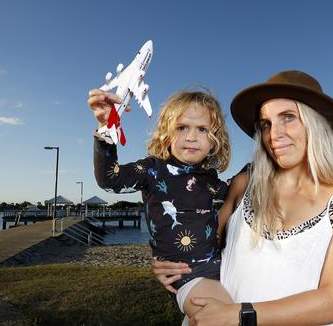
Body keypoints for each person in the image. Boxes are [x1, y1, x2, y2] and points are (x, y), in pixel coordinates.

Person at [153, 70, 333, 326]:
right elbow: (202, 247)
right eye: (266, 124)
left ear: (316, 124)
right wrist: (172, 265)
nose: (274, 133)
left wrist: (239, 315)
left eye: (288, 117)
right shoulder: (245, 185)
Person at [87, 88, 235, 320]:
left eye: (202, 129)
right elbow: (111, 179)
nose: (192, 137)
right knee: (222, 316)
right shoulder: (152, 170)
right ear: (166, 132)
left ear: (215, 140)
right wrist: (108, 129)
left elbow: (238, 194)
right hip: (184, 273)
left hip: (223, 267)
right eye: (182, 127)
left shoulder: (210, 180)